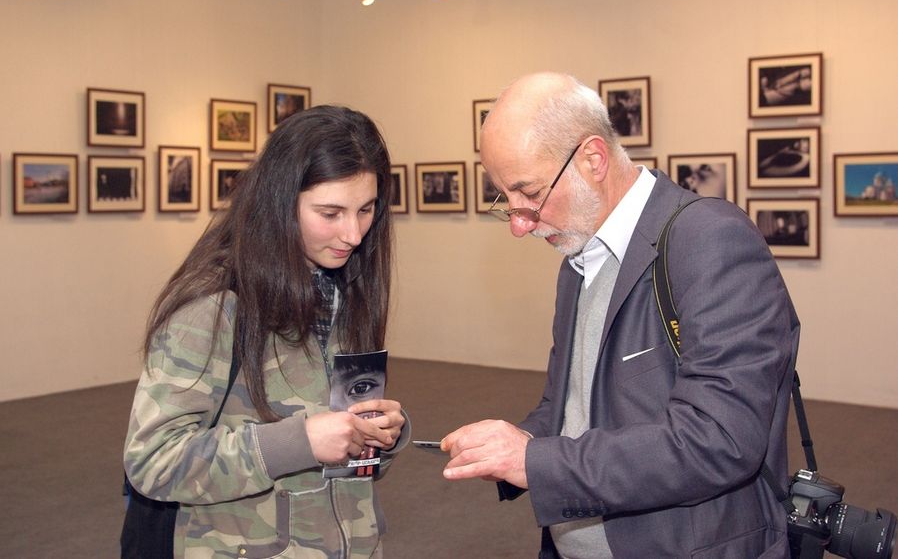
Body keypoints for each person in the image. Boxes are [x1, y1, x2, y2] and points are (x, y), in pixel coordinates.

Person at [441, 73, 799, 558]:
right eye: (507, 198)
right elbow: (568, 404)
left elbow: (719, 439)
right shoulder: (578, 257)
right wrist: (519, 440)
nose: (519, 224)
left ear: (593, 159)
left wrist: (535, 461)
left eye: (530, 192)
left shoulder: (709, 239)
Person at [124, 105, 409, 558]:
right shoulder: (214, 305)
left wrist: (375, 435)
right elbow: (154, 462)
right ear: (280, 202)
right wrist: (302, 442)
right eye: (330, 213)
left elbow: (337, 446)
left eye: (366, 209)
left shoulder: (347, 286)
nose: (354, 233)